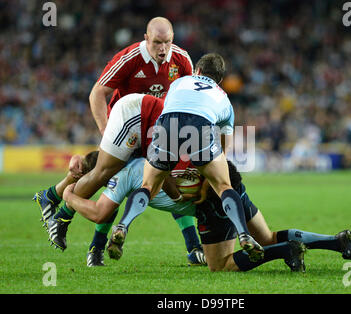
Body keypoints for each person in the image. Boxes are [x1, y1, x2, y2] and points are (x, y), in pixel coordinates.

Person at [33, 16, 201, 263]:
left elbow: (188, 96)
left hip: (155, 128)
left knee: (168, 176)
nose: (162, 49)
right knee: (111, 179)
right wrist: (107, 130)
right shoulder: (129, 58)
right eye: (157, 43)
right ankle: (87, 239)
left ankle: (54, 198)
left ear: (173, 39)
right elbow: (97, 93)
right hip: (127, 126)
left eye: (167, 42)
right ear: (146, 38)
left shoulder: (182, 60)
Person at [63, 155, 351, 272]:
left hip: (210, 201)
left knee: (220, 266)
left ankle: (286, 252)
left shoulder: (122, 175)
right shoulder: (146, 153)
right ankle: (338, 242)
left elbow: (99, 213)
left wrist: (68, 194)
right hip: (228, 181)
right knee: (267, 234)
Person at [109, 53, 265, 263]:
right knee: (224, 186)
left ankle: (122, 226)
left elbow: (169, 108)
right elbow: (224, 146)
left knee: (148, 185)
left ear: (197, 71)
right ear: (219, 80)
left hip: (168, 123)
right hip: (201, 123)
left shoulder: (179, 82)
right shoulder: (224, 99)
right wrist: (212, 175)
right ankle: (244, 234)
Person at [34, 94, 205, 266]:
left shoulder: (126, 169)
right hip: (144, 131)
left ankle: (63, 212)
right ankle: (86, 238)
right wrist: (68, 196)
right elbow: (98, 93)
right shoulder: (125, 174)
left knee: (106, 183)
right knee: (107, 187)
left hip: (148, 139)